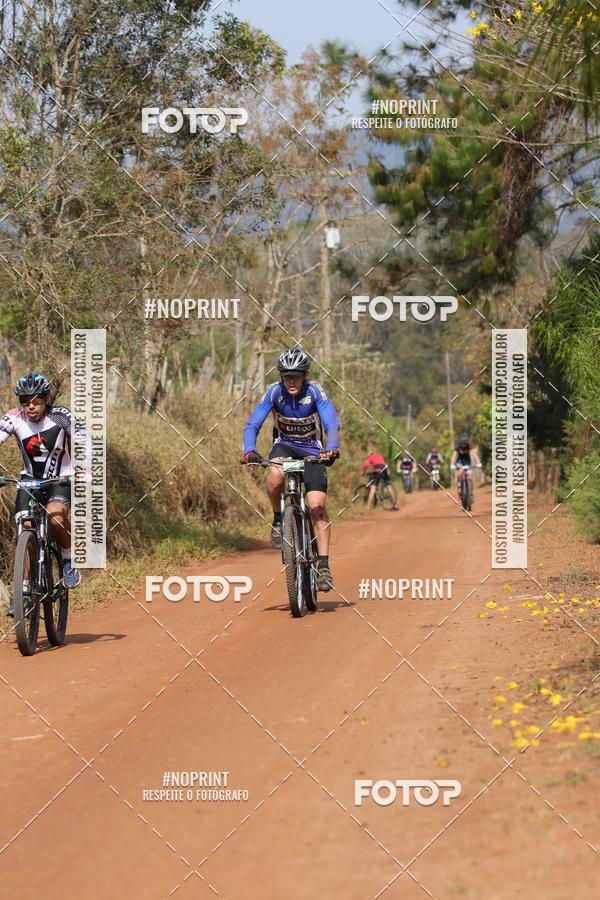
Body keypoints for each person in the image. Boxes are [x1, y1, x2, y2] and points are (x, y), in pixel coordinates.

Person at [242, 348, 340, 591]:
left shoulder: (316, 391)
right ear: (281, 376)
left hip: (312, 451)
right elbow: (253, 424)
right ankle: (278, 519)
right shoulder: (274, 392)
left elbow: (331, 424)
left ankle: (324, 566)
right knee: (275, 473)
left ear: (306, 374)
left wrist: (332, 449)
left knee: (317, 506)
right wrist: (250, 450)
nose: (292, 381)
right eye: (287, 376)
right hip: (284, 446)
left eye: (296, 376)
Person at [0, 373, 82, 615]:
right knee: (23, 529)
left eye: (35, 400)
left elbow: (85, 439)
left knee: (56, 516)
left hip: (61, 478)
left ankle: (68, 561)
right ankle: (23, 592)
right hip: (29, 480)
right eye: (25, 401)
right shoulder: (15, 417)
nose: (30, 406)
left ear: (46, 399)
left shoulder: (61, 415)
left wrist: (86, 468)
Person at [450, 432, 481, 501]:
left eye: (465, 443)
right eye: (462, 443)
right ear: (460, 442)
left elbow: (474, 454)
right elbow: (454, 455)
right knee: (459, 473)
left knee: (469, 476)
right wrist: (452, 464)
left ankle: (470, 492)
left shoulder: (469, 446)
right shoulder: (457, 446)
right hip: (459, 462)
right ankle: (459, 489)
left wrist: (478, 463)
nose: (463, 445)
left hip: (467, 462)